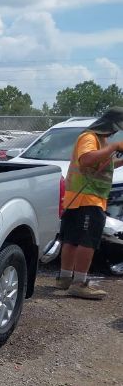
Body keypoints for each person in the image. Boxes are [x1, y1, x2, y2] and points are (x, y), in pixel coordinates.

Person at [57, 107, 123, 299]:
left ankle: (65, 278)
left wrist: (117, 159)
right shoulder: (90, 137)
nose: (115, 133)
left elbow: (100, 165)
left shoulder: (99, 140)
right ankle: (79, 283)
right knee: (87, 241)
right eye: (116, 129)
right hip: (88, 197)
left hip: (79, 197)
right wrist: (113, 148)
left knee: (71, 239)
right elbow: (86, 160)